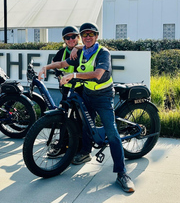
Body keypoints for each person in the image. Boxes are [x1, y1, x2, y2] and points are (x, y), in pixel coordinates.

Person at [38, 22, 135, 193]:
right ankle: (85, 152)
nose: (88, 37)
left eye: (91, 34)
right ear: (82, 38)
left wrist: (73, 75)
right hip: (88, 94)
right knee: (85, 123)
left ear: (96, 36)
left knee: (112, 132)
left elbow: (98, 74)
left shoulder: (103, 52)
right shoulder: (81, 51)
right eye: (85, 35)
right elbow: (63, 64)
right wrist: (46, 67)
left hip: (103, 96)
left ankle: (122, 173)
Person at [52, 26, 83, 96]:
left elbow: (94, 47)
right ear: (64, 40)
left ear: (78, 37)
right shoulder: (62, 52)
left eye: (73, 37)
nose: (71, 39)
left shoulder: (84, 50)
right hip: (66, 88)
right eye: (67, 38)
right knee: (65, 106)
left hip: (81, 88)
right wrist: (59, 77)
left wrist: (76, 48)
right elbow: (53, 64)